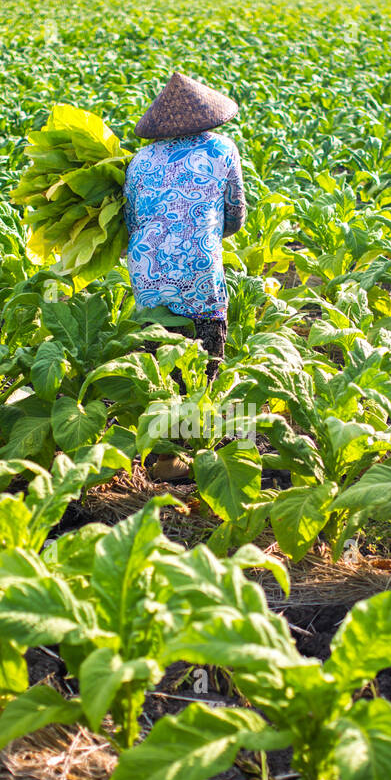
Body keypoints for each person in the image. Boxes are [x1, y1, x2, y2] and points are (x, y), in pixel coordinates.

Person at [124, 72, 247, 482]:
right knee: (205, 351)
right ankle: (196, 451)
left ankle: (163, 457)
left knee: (160, 363)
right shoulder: (222, 150)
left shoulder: (139, 162)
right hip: (199, 271)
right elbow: (236, 215)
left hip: (148, 275)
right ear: (208, 116)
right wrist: (206, 232)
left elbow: (132, 220)